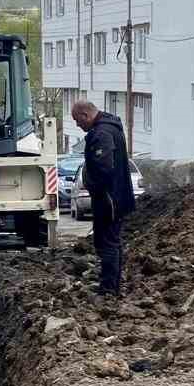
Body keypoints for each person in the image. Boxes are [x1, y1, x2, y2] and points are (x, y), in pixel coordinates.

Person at [71, 100, 136, 297]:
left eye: (77, 120)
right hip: (115, 197)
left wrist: (90, 183)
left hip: (108, 200)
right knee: (112, 242)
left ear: (85, 115)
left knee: (107, 243)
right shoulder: (111, 127)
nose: (77, 125)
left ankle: (108, 290)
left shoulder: (102, 134)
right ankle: (111, 286)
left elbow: (104, 168)